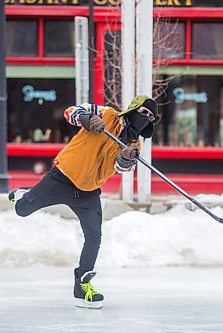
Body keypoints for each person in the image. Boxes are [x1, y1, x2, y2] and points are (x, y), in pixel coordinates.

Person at [8, 95, 158, 309]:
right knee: (22, 210)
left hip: (88, 191)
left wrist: (126, 158)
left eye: (151, 116)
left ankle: (82, 285)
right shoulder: (106, 114)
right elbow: (70, 111)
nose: (146, 117)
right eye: (144, 112)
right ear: (133, 109)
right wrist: (86, 118)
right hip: (63, 176)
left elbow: (123, 169)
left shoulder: (134, 144)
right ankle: (27, 194)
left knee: (94, 237)